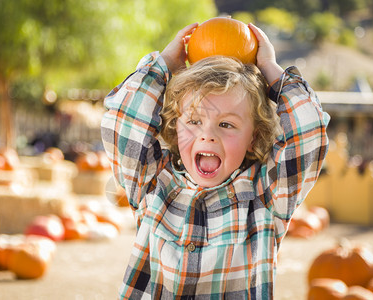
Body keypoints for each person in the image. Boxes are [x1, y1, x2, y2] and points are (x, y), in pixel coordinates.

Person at [101, 22, 329, 299]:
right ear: (175, 127)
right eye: (194, 121)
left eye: (227, 125)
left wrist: (270, 69)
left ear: (254, 138)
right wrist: (163, 65)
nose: (207, 135)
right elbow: (123, 122)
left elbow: (309, 130)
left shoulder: (266, 196)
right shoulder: (152, 184)